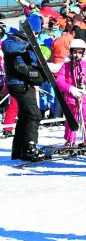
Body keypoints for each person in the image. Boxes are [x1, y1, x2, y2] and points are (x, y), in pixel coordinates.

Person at [1, 19, 49, 161]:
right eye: (34, 32)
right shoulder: (13, 39)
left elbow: (34, 61)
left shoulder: (31, 44)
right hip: (18, 83)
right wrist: (27, 45)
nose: (35, 35)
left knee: (25, 116)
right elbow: (8, 47)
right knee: (34, 115)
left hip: (24, 83)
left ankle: (18, 150)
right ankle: (29, 148)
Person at [56, 39, 86, 146]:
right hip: (71, 98)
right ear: (71, 52)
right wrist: (70, 89)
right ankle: (70, 140)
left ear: (83, 53)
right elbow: (59, 80)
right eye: (75, 52)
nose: (77, 55)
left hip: (85, 97)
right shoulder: (66, 65)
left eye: (80, 52)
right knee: (71, 119)